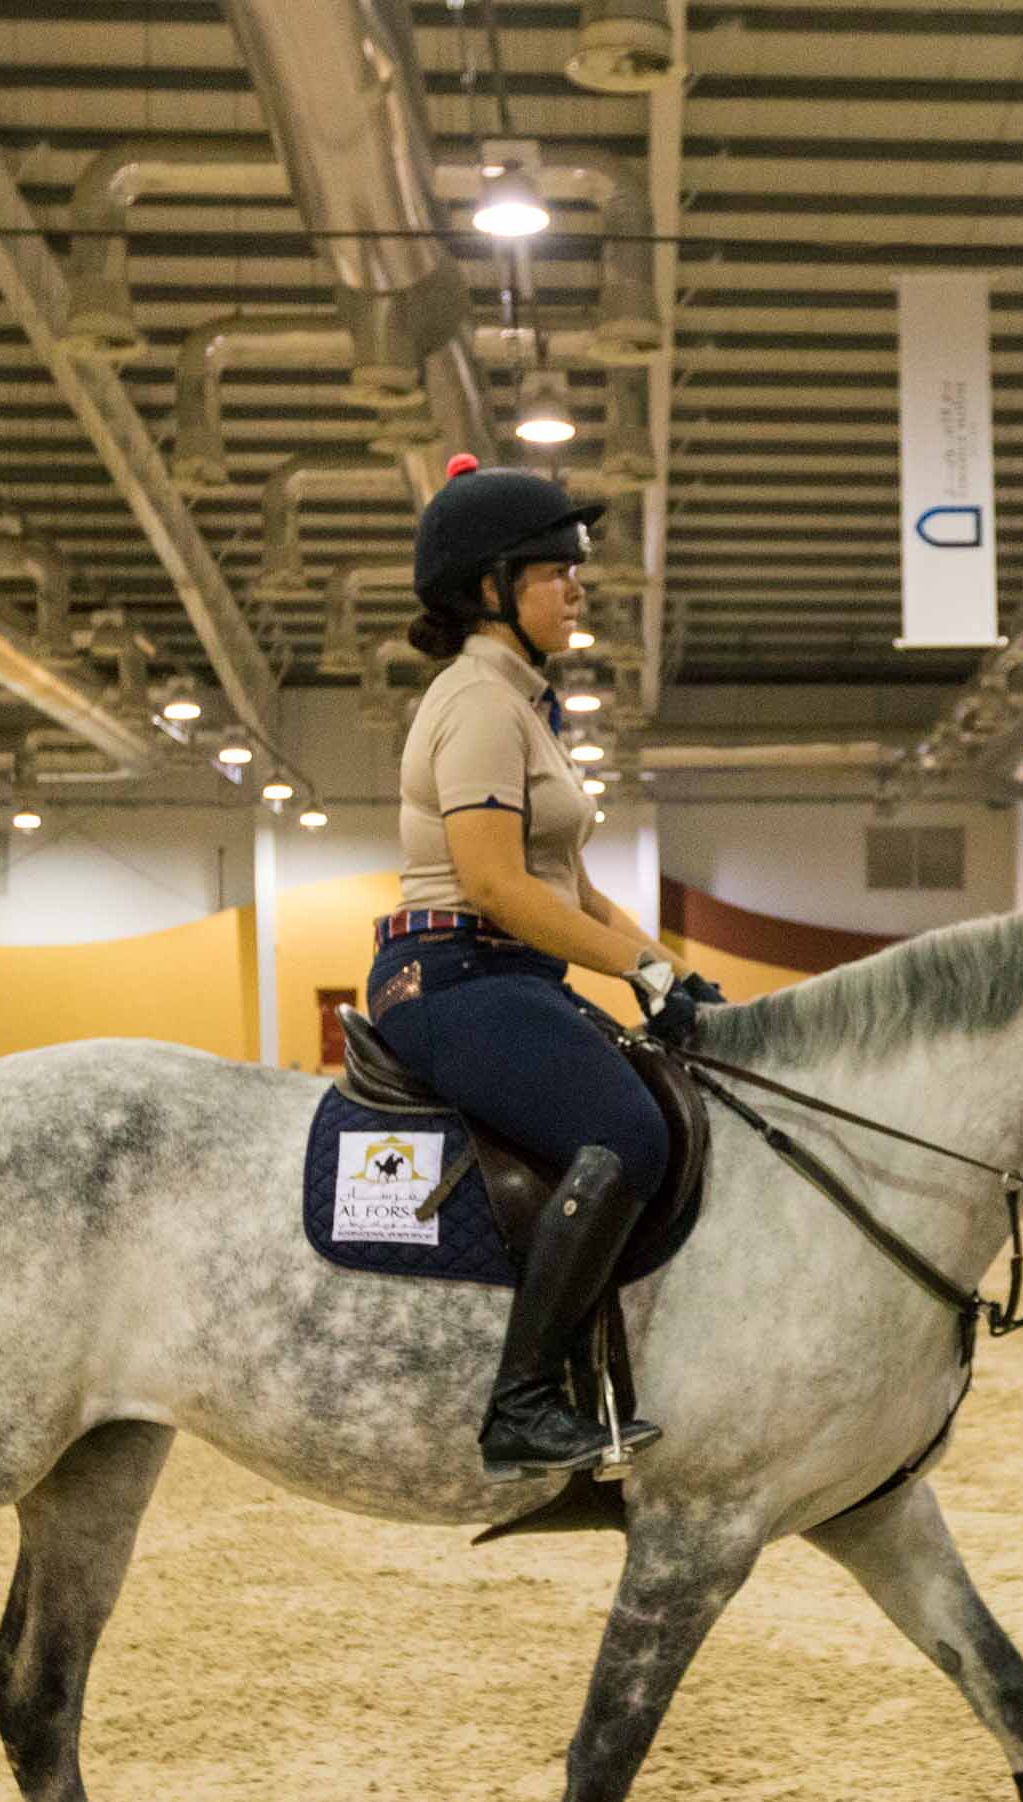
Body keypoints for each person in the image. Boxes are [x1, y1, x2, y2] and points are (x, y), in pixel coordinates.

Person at [374, 454, 723, 1482]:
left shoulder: (527, 706)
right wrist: (638, 974)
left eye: (577, 572)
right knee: (622, 1131)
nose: (577, 589)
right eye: (554, 572)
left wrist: (665, 969)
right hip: (452, 977)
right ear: (490, 589)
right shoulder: (478, 702)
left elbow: (565, 889)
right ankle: (522, 1401)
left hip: (511, 974)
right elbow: (491, 884)